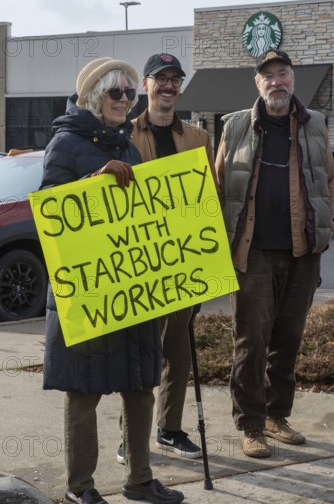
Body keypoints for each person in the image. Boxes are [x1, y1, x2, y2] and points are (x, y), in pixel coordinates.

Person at [41, 57, 184, 504]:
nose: (125, 101)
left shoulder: (128, 147)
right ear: (93, 97)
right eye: (115, 93)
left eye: (129, 93)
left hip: (131, 290)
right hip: (88, 292)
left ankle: (140, 479)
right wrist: (94, 181)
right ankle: (79, 487)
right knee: (84, 391)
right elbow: (49, 211)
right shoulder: (64, 144)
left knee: (140, 386)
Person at [215, 49, 334, 458]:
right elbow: (218, 185)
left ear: (293, 79)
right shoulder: (233, 126)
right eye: (268, 76)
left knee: (288, 339)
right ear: (257, 83)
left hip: (302, 252)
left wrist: (320, 233)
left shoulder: (315, 124)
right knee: (251, 342)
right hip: (251, 253)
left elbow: (327, 183)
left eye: (282, 73)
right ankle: (250, 425)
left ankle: (275, 415)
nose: (276, 81)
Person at [115, 53, 216, 464]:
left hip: (184, 260)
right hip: (141, 262)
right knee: (141, 354)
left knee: (178, 352)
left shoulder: (198, 139)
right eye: (161, 79)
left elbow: (206, 198)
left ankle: (169, 430)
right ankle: (130, 437)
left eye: (175, 80)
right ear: (145, 84)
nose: (168, 86)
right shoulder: (123, 134)